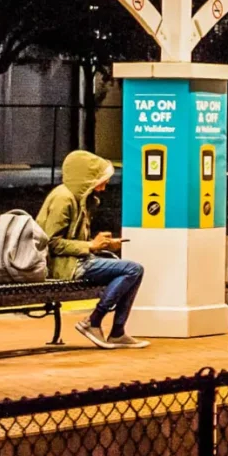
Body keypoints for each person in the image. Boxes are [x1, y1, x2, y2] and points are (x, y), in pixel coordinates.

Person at [40, 149, 148, 349]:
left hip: (78, 261)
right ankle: (94, 321)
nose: (104, 187)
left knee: (132, 271)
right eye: (102, 180)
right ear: (87, 178)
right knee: (133, 269)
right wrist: (91, 245)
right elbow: (52, 243)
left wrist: (101, 245)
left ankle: (117, 332)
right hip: (64, 266)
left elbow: (74, 241)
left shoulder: (79, 198)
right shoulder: (63, 199)